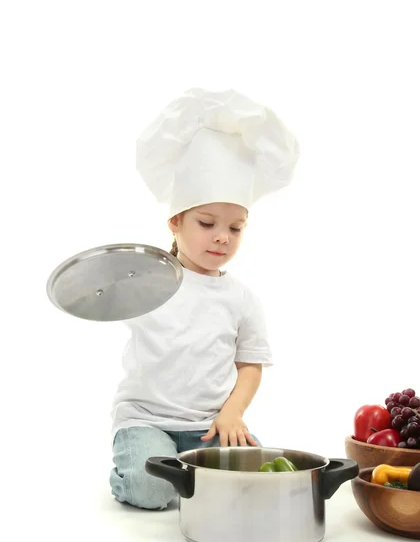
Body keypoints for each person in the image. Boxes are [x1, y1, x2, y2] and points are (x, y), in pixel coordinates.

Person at [109, 88, 299, 510]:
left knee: (257, 485)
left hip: (210, 425)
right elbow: (103, 295)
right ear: (176, 221)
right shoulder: (147, 281)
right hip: (145, 421)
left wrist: (231, 414)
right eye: (207, 222)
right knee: (151, 492)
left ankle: (190, 465)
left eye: (235, 228)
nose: (221, 237)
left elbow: (249, 365)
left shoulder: (241, 298)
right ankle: (135, 468)